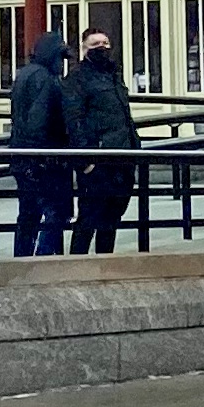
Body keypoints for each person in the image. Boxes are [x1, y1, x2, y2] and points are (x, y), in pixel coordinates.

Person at [66, 29, 142, 256]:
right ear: (84, 48)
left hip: (124, 157)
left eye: (105, 42)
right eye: (95, 43)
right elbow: (73, 119)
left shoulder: (114, 74)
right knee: (89, 218)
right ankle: (76, 267)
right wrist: (85, 160)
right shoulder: (77, 78)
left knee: (112, 217)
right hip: (98, 160)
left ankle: (105, 264)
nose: (102, 47)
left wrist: (134, 147)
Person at [7, 25, 73, 259]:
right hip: (43, 160)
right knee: (57, 211)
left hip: (22, 156)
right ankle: (42, 259)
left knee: (28, 213)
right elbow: (40, 121)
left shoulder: (24, 75)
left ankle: (22, 259)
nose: (62, 64)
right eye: (60, 58)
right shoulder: (46, 80)